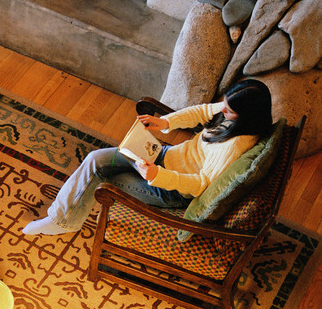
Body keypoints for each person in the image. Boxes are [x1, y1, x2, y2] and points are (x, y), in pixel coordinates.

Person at [23, 79, 273, 236]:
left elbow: (200, 185)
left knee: (104, 178)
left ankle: (61, 222)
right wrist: (165, 121)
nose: (222, 110)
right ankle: (62, 219)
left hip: (171, 189)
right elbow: (202, 111)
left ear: (247, 116)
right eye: (225, 105)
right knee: (96, 159)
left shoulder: (235, 145)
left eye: (228, 110)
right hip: (166, 157)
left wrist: (157, 175)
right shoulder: (235, 112)